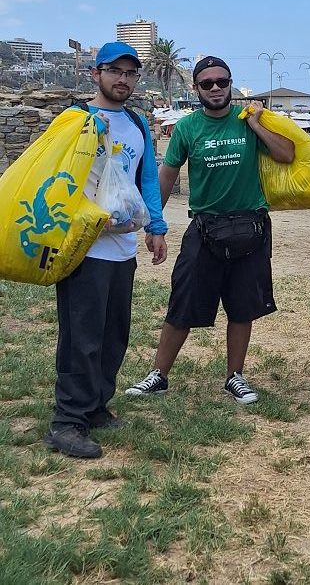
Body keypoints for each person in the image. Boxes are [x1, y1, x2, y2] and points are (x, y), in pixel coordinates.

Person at [125, 56, 294, 404]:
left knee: (243, 306)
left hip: (251, 226)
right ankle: (159, 374)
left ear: (231, 84)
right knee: (182, 303)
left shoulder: (249, 121)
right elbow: (167, 176)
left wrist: (257, 125)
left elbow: (286, 154)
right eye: (207, 84)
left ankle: (235, 376)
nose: (216, 88)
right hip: (205, 227)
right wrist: (153, 224)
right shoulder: (187, 128)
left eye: (222, 82)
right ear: (196, 88)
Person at [43, 42, 168, 459]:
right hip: (83, 248)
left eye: (130, 73)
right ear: (95, 74)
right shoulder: (74, 119)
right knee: (81, 335)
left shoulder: (136, 123)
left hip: (122, 247)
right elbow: (54, 177)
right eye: (114, 71)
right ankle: (67, 421)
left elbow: (147, 177)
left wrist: (156, 225)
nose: (123, 80)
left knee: (114, 332)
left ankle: (95, 404)